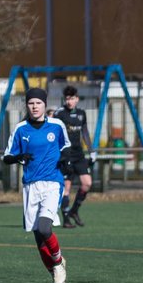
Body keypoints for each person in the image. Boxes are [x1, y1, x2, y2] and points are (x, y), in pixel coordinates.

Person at [3, 87, 70, 283]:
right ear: (27, 105)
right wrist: (18, 158)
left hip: (52, 183)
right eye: (31, 103)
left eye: (38, 103)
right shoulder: (21, 129)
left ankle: (58, 264)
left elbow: (66, 146)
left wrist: (66, 160)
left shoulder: (57, 125)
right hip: (31, 186)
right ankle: (56, 278)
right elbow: (7, 156)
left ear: (44, 105)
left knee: (44, 227)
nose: (35, 106)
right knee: (39, 240)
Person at [54, 85, 92, 228]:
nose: (70, 101)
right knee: (67, 188)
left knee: (87, 183)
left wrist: (91, 150)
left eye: (72, 98)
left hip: (79, 155)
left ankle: (74, 211)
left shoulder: (82, 113)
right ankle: (66, 220)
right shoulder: (60, 113)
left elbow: (85, 133)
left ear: (77, 99)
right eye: (67, 99)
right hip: (66, 155)